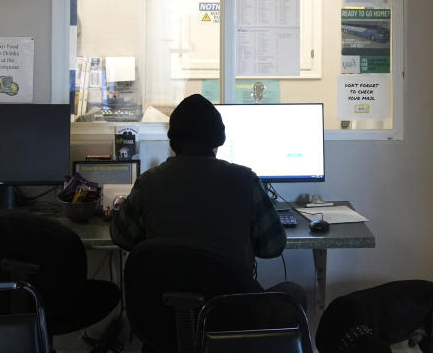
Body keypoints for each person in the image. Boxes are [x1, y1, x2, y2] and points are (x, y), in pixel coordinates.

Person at [111, 93, 305, 305]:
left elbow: (121, 237)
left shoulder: (148, 182)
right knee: (293, 292)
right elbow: (273, 247)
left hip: (162, 318)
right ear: (218, 139)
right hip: (231, 316)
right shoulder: (246, 181)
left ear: (173, 140)